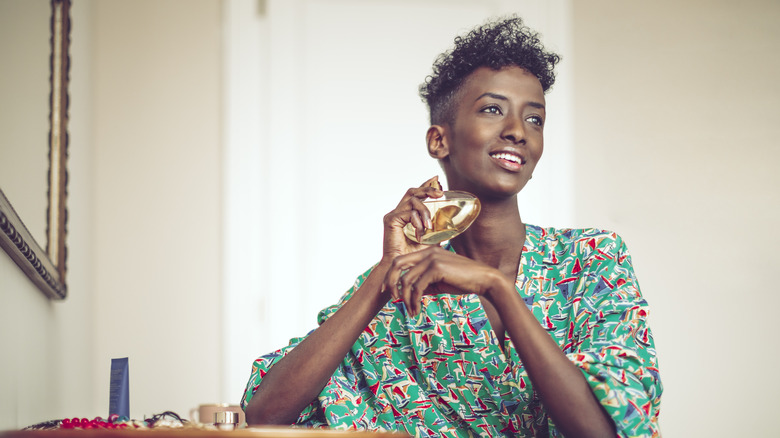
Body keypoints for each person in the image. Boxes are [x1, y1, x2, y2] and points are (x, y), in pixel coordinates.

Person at [241, 15, 662, 437]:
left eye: (534, 119)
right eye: (493, 110)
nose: (517, 131)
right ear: (439, 140)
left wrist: (497, 287)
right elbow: (264, 415)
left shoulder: (591, 261)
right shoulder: (405, 287)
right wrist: (385, 273)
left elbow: (607, 431)